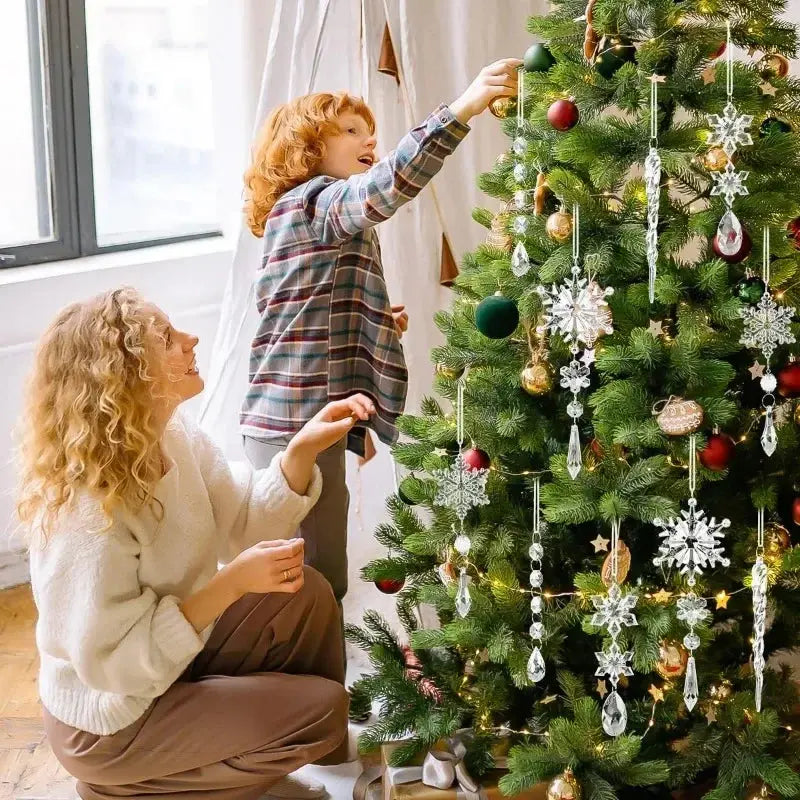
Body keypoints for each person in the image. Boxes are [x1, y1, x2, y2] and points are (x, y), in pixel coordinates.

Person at [17, 287, 375, 800]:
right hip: (110, 721)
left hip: (168, 669)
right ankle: (126, 786)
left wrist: (300, 452)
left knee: (306, 592)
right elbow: (113, 664)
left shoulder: (172, 433)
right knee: (319, 712)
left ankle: (316, 757)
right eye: (166, 337)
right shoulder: (88, 510)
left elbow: (244, 519)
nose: (191, 340)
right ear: (125, 372)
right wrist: (230, 585)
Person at [240, 57, 523, 630]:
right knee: (309, 576)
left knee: (322, 568)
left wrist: (373, 323)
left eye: (369, 128)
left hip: (306, 418)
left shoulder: (312, 219)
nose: (370, 137)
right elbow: (386, 187)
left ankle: (307, 671)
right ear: (304, 148)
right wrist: (462, 108)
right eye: (349, 129)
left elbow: (300, 312)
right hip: (293, 424)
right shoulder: (313, 203)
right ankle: (294, 679)